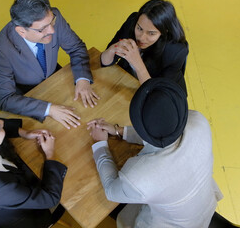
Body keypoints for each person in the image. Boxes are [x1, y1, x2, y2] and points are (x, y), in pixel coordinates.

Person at [87, 78, 222, 227]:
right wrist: (119, 131)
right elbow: (166, 132)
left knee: (123, 218)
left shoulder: (140, 178)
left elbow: (111, 191)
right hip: (204, 203)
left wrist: (100, 145)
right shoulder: (198, 120)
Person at [0, 0, 99, 129]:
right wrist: (49, 109)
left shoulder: (52, 17)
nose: (51, 30)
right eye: (43, 29)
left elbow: (76, 47)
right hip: (28, 96)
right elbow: (5, 99)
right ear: (21, 31)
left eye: (52, 22)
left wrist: (82, 79)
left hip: (55, 81)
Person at [100, 0, 188, 94]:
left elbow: (157, 94)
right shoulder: (132, 22)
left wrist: (137, 63)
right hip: (127, 81)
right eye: (139, 28)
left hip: (156, 93)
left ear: (164, 32)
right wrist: (113, 49)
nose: (141, 38)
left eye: (151, 33)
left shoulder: (175, 51)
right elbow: (104, 62)